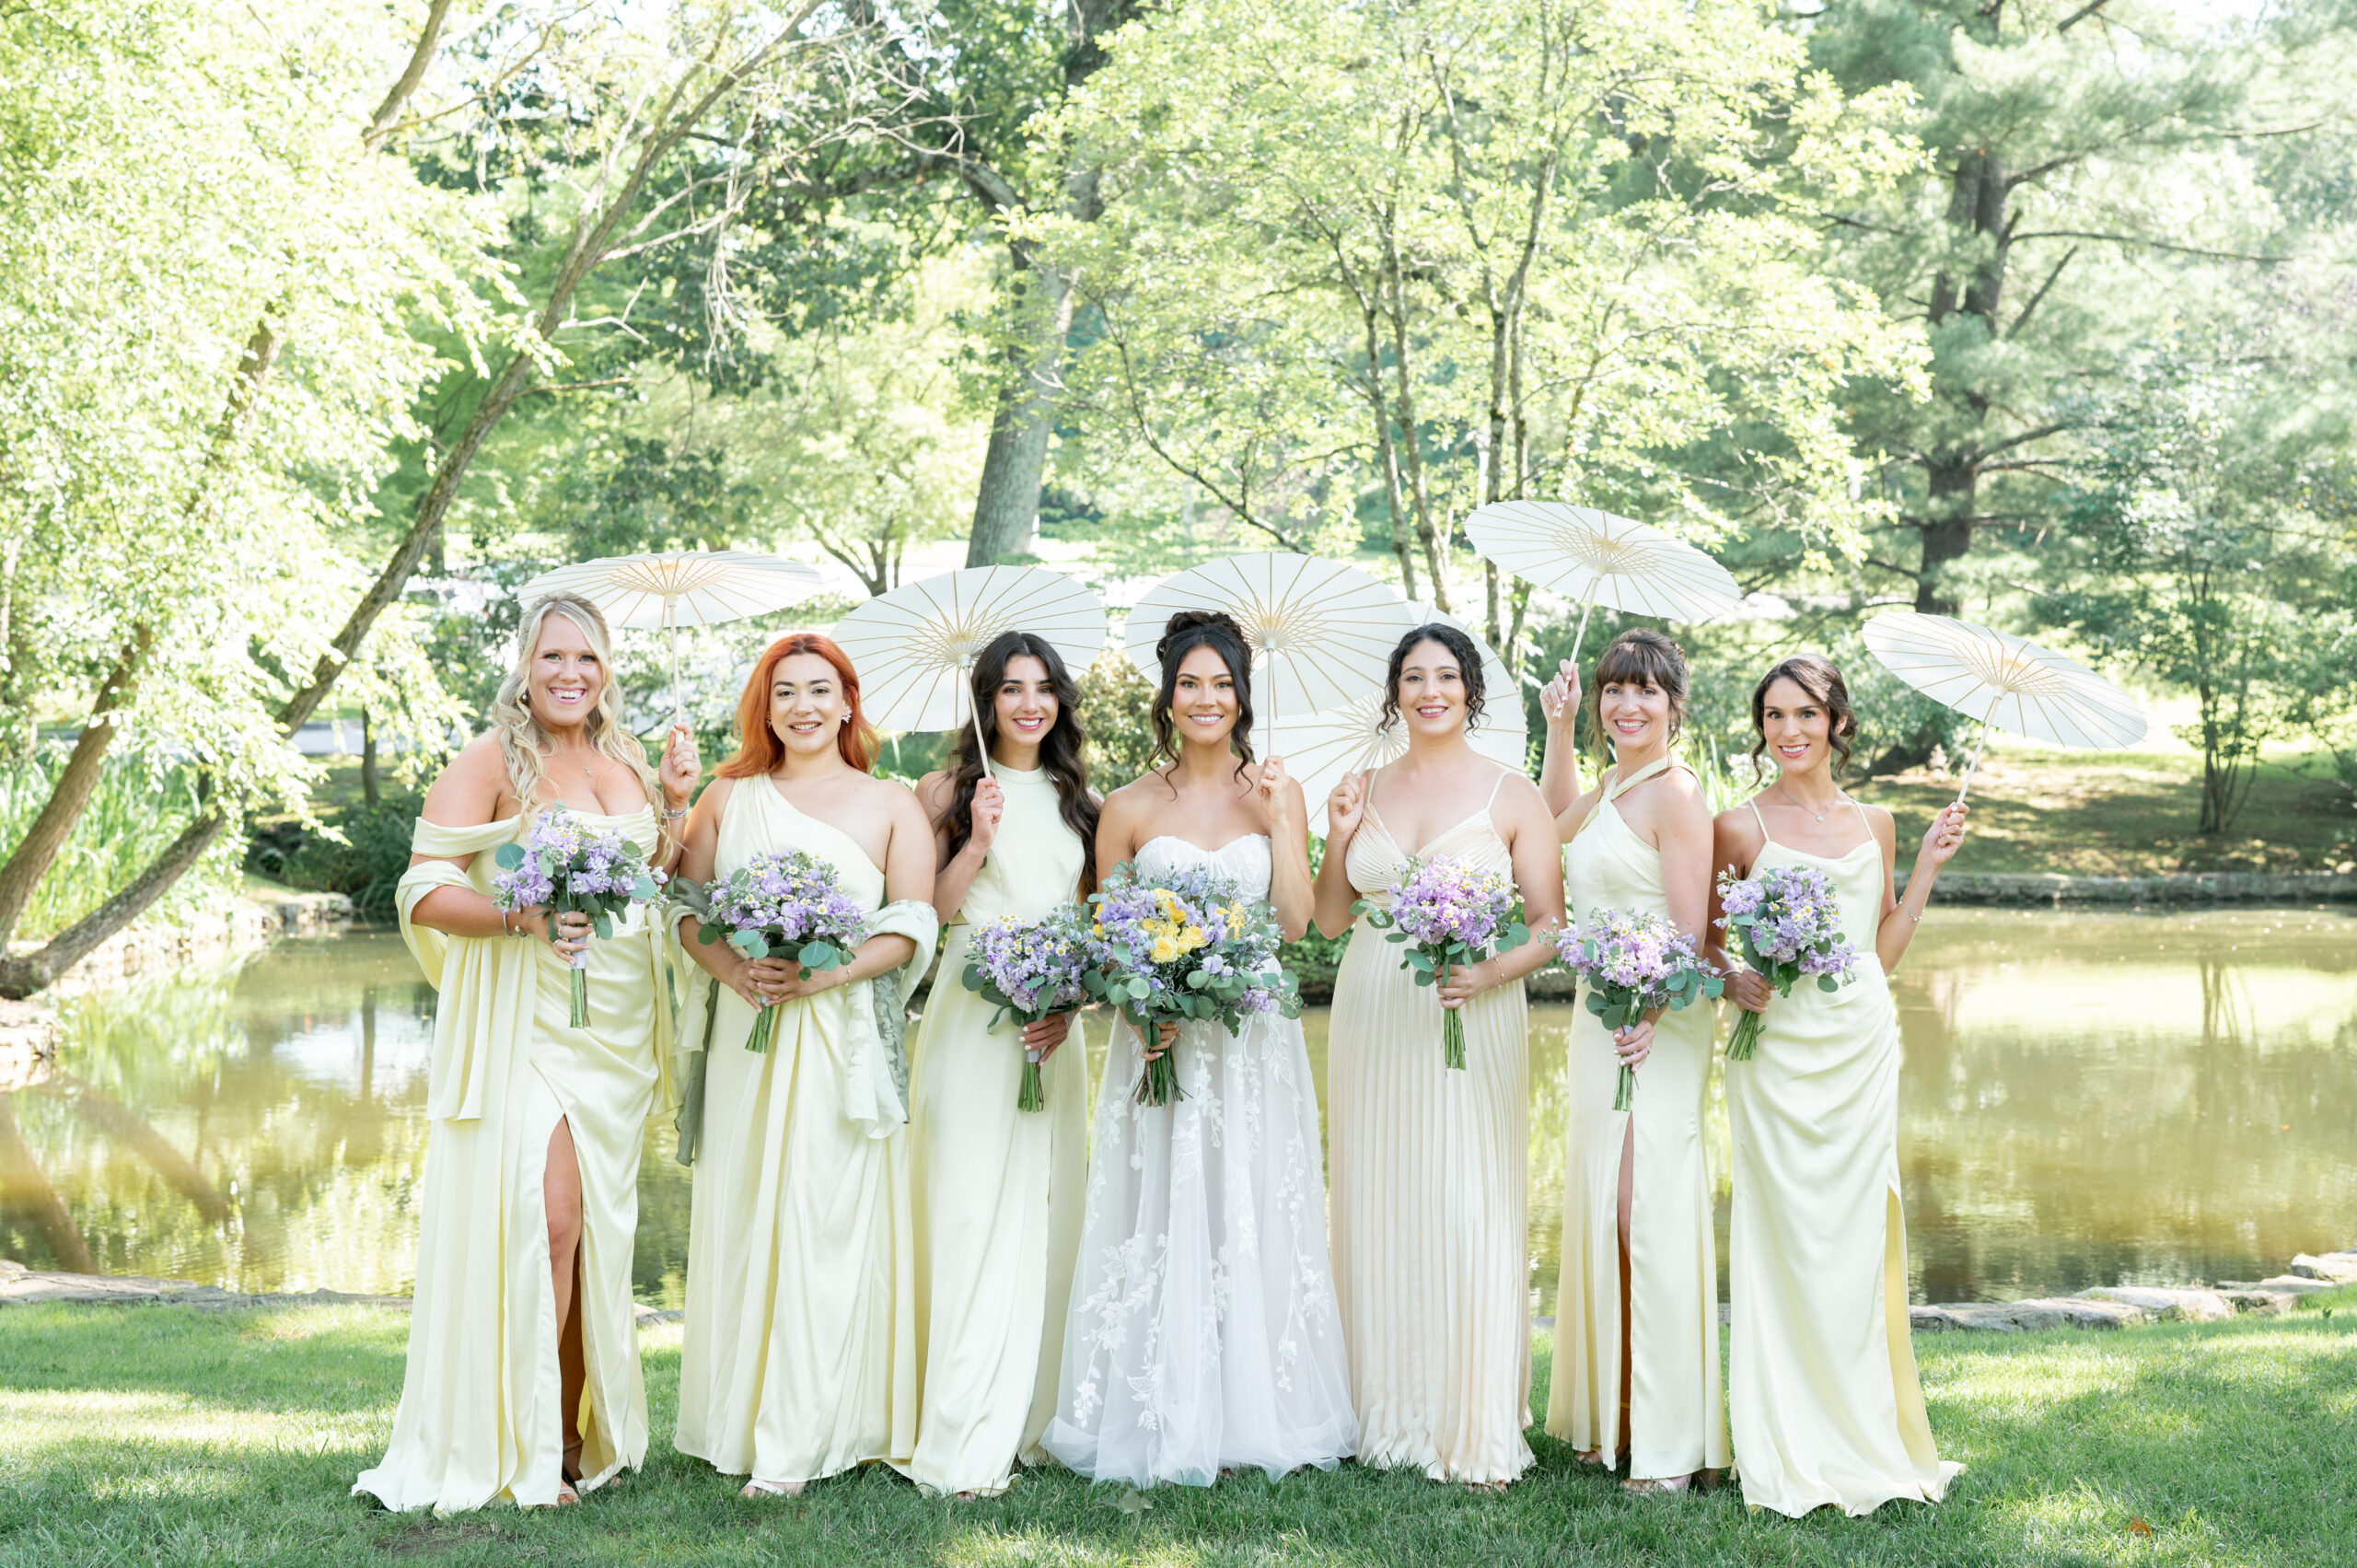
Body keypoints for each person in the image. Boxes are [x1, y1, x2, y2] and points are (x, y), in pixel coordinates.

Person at [357, 592, 698, 1511]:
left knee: (589, 1237)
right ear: (525, 663)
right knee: (543, 1224)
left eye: (586, 657)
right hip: (530, 1017)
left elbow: (650, 875)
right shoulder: (491, 760)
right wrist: (523, 915)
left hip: (616, 1025)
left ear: (606, 667)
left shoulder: (628, 756)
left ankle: (578, 1438)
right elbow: (423, 887)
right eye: (553, 656)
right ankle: (528, 1448)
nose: (570, 673)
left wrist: (673, 802)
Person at [1041, 610, 1356, 1486]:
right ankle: (1156, 1401)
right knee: (1161, 1203)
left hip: (1253, 1037)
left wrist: (1283, 821)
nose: (1206, 698)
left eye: (1222, 683)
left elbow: (1295, 923)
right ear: (1168, 695)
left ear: (1243, 695)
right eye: (1190, 683)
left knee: (1251, 1200)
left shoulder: (1279, 792)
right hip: (1160, 1040)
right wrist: (1146, 1009)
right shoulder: (1130, 807)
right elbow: (1107, 936)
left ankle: (1258, 1405)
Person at [669, 633, 939, 1497]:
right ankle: (740, 1419)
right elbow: (686, 906)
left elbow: (915, 924)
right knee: (751, 1208)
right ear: (766, 706)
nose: (803, 706)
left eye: (820, 689)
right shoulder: (726, 795)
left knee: (826, 1216)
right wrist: (733, 968)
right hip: (749, 1033)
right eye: (784, 691)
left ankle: (814, 1429)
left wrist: (825, 972)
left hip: (839, 1038)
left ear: (848, 702)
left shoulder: (892, 801)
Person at [1709, 653, 1968, 1517]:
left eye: (1806, 714)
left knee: (1855, 1242)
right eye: (1774, 715)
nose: (1789, 730)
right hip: (1776, 1053)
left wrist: (1926, 864)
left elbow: (1878, 951)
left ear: (1838, 723)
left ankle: (1860, 1433)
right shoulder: (1737, 826)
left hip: (1859, 1047)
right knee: (1784, 1233)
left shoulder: (1877, 821)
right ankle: (1785, 1437)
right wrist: (1732, 977)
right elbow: (1706, 937)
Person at [1311, 622, 1563, 1490]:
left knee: (1466, 1199)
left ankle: (1472, 1416)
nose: (1430, 690)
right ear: (1395, 693)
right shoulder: (1362, 786)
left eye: (1446, 675)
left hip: (1472, 1008)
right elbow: (1330, 919)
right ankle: (1379, 1409)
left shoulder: (1511, 794)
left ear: (1471, 691)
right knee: (1377, 1193)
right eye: (1413, 676)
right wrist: (1338, 834)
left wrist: (1489, 970)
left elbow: (1551, 926)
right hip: (1374, 1006)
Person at [901, 632, 1099, 1498]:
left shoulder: (1081, 801)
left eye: (1043, 687)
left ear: (1060, 701)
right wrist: (976, 841)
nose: (1029, 703)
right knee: (968, 1204)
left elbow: (1099, 925)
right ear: (985, 700)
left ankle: (1034, 1417)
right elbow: (926, 911)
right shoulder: (942, 792)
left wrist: (1070, 1002)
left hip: (1053, 1023)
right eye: (1011, 688)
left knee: (1046, 1211)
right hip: (969, 1013)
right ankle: (959, 1420)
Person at [1534, 629, 1729, 1493]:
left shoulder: (1677, 794)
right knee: (1603, 1208)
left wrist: (1649, 1010)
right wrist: (1559, 727)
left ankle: (1668, 1438)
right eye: (1614, 690)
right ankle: (1612, 1416)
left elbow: (1688, 935)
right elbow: (1547, 827)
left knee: (1643, 1209)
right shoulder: (1611, 783)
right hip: (1597, 1015)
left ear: (1673, 705)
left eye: (1646, 691)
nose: (1627, 705)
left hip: (1662, 1018)